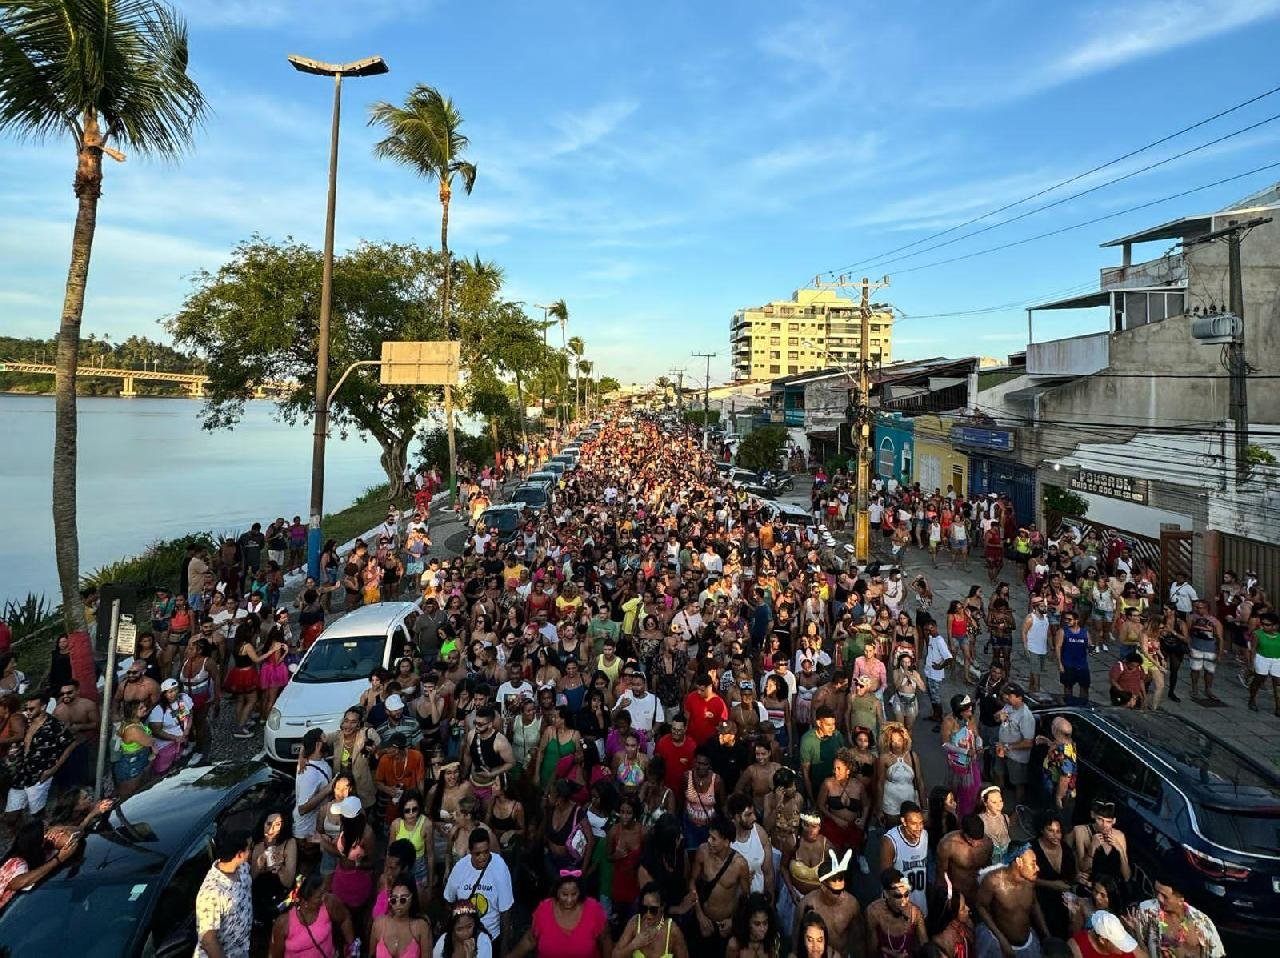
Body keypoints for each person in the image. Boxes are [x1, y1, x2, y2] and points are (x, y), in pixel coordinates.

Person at [5, 692, 75, 822]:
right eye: (26, 708)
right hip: (21, 773)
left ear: (43, 707)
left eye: (31, 709)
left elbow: (70, 744)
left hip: (39, 774)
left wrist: (52, 770)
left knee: (36, 814)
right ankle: (20, 836)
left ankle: (38, 836)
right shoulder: (26, 721)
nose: (28, 711)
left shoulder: (54, 725)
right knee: (11, 815)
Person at [508, 871, 612, 958]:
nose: (569, 900)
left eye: (574, 894)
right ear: (556, 892)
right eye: (564, 894)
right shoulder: (544, 910)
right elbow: (530, 939)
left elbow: (605, 940)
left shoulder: (593, 910)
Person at [443, 828, 514, 948]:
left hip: (491, 936)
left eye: (486, 852)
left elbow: (505, 913)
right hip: (465, 938)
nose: (483, 857)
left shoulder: (500, 867)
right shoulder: (460, 868)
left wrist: (503, 951)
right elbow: (448, 900)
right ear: (470, 851)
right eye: (478, 853)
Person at [973, 845, 1047, 958]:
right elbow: (981, 906)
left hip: (1027, 943)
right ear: (1019, 862)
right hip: (997, 944)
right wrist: (1002, 940)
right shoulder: (993, 881)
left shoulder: (1030, 880)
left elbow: (1034, 904)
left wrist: (1046, 933)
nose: (1037, 868)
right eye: (1033, 864)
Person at [691, 814, 751, 954]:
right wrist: (699, 914)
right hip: (702, 922)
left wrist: (732, 921)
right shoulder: (702, 851)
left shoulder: (740, 864)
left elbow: (745, 897)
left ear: (726, 841)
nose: (709, 841)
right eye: (709, 836)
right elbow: (692, 882)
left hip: (725, 927)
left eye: (714, 839)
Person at [1125, 880, 1223, 958]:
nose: (1159, 898)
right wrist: (1135, 932)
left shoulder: (1203, 923)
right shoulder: (1147, 911)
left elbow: (1217, 953)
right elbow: (1137, 949)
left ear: (1180, 899)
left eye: (1164, 896)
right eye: (1157, 892)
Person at [267, 871, 356, 958]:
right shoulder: (283, 923)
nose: (323, 898)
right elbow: (274, 954)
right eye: (319, 897)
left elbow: (344, 918)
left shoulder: (329, 902)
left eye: (323, 893)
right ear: (304, 902)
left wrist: (352, 948)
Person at [196, 828, 254, 958]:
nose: (252, 850)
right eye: (250, 848)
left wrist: (260, 866)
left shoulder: (242, 867)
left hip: (241, 950)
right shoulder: (211, 893)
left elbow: (246, 884)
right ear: (239, 854)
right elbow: (208, 941)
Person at [0, 819, 81, 910]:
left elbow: (78, 833)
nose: (51, 832)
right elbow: (18, 883)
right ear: (37, 838)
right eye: (46, 830)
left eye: (50, 828)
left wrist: (61, 828)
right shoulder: (16, 862)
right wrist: (58, 860)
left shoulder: (44, 850)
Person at [794, 849, 861, 958]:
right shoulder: (806, 905)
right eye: (836, 892)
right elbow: (796, 943)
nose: (842, 895)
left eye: (843, 889)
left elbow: (859, 940)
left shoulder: (851, 904)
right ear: (823, 887)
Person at [1030, 811, 1077, 941]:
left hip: (1062, 901)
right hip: (1039, 898)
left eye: (1058, 831)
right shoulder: (1032, 849)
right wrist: (1052, 885)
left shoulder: (1066, 850)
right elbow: (1026, 878)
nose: (1055, 835)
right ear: (1041, 830)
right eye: (1050, 830)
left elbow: (1070, 879)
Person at [880, 801, 930, 917]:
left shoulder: (925, 835)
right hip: (899, 903)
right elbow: (886, 877)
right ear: (903, 821)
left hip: (920, 901)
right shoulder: (890, 841)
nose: (919, 828)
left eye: (921, 823)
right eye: (914, 823)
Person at [864, 867, 927, 958]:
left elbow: (925, 947)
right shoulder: (874, 913)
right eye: (898, 896)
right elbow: (872, 950)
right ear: (886, 894)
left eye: (906, 895)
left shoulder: (915, 913)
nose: (904, 901)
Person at [251, 811, 299, 923]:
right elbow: (251, 877)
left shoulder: (289, 843)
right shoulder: (256, 843)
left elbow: (288, 882)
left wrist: (281, 869)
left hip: (280, 896)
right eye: (268, 824)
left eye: (277, 825)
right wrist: (260, 861)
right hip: (260, 898)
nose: (271, 829)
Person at [51, 678, 99, 788]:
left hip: (83, 744)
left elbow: (96, 724)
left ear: (77, 691)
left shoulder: (88, 705)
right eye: (63, 693)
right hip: (65, 748)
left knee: (84, 778)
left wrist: (79, 727)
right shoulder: (58, 710)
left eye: (69, 692)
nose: (65, 696)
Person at [368, 878, 434, 958]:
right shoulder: (379, 924)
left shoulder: (421, 927)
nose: (398, 904)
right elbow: (371, 955)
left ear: (412, 898)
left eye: (403, 900)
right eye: (394, 900)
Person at [1069, 801, 1130, 886]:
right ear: (1093, 815)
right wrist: (1092, 847)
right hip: (1091, 884)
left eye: (1108, 821)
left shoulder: (1119, 836)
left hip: (1112, 886)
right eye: (1100, 820)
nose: (1104, 825)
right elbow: (1083, 868)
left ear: (1114, 821)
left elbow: (1127, 876)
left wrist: (1120, 850)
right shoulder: (1081, 831)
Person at [936, 814, 993, 905]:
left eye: (979, 840)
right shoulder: (948, 844)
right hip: (958, 897)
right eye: (971, 840)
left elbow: (988, 869)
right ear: (964, 832)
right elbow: (942, 874)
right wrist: (948, 897)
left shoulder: (988, 843)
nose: (975, 844)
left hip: (979, 895)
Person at [293, 728, 335, 845]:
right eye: (324, 738)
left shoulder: (314, 761)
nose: (327, 742)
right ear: (318, 744)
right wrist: (328, 790)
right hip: (307, 833)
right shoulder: (309, 774)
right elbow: (302, 809)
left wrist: (301, 754)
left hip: (315, 829)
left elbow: (304, 745)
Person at [994, 684, 1035, 805]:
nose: (1006, 697)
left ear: (1019, 697)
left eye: (1010, 696)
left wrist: (1008, 747)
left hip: (1017, 757)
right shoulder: (1009, 706)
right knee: (998, 772)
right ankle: (997, 798)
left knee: (1018, 782)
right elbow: (996, 717)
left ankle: (1018, 808)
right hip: (1002, 749)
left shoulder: (1026, 716)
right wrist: (998, 717)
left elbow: (1028, 742)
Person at [111, 697, 155, 800]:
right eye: (141, 708)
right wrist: (153, 744)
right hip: (132, 763)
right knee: (130, 794)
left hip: (137, 758)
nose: (145, 708)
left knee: (139, 790)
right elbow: (149, 742)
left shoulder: (134, 723)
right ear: (133, 711)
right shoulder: (133, 729)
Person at [724, 892, 781, 958]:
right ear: (747, 923)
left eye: (765, 923)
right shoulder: (734, 945)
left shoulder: (771, 942)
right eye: (757, 924)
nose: (762, 929)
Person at [1246, 609, 1280, 715]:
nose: (1264, 626)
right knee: (1259, 679)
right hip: (1262, 658)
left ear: (1275, 626)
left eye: (1267, 624)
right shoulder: (1257, 634)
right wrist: (1251, 663)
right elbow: (1253, 649)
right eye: (1263, 624)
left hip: (1277, 660)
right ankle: (1252, 699)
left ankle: (1278, 707)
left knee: (1278, 683)